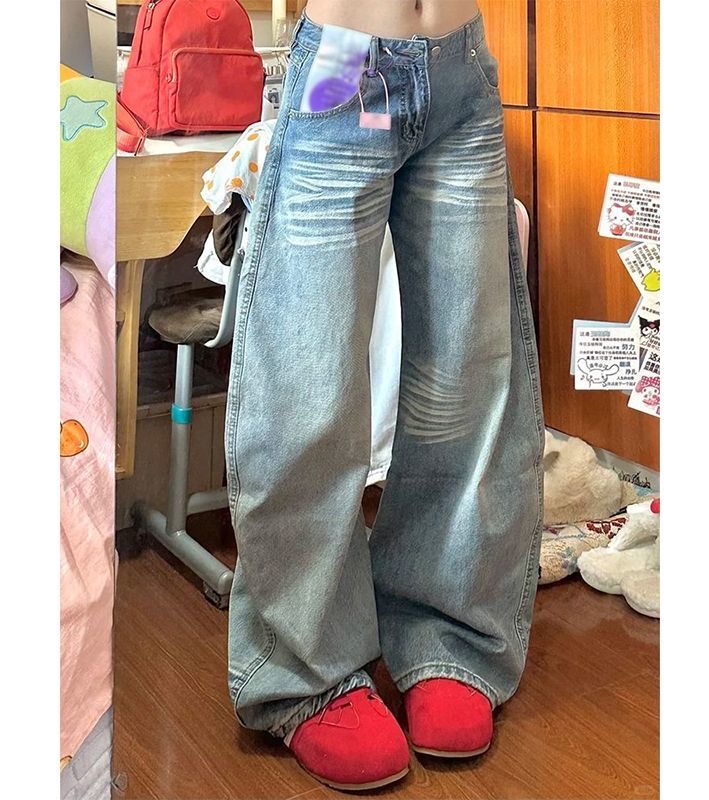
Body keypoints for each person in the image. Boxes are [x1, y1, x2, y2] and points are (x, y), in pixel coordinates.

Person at [225, 0, 544, 790]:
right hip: (344, 67)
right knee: (307, 383)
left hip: (461, 71)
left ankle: (449, 634)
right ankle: (304, 668)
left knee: (469, 376)